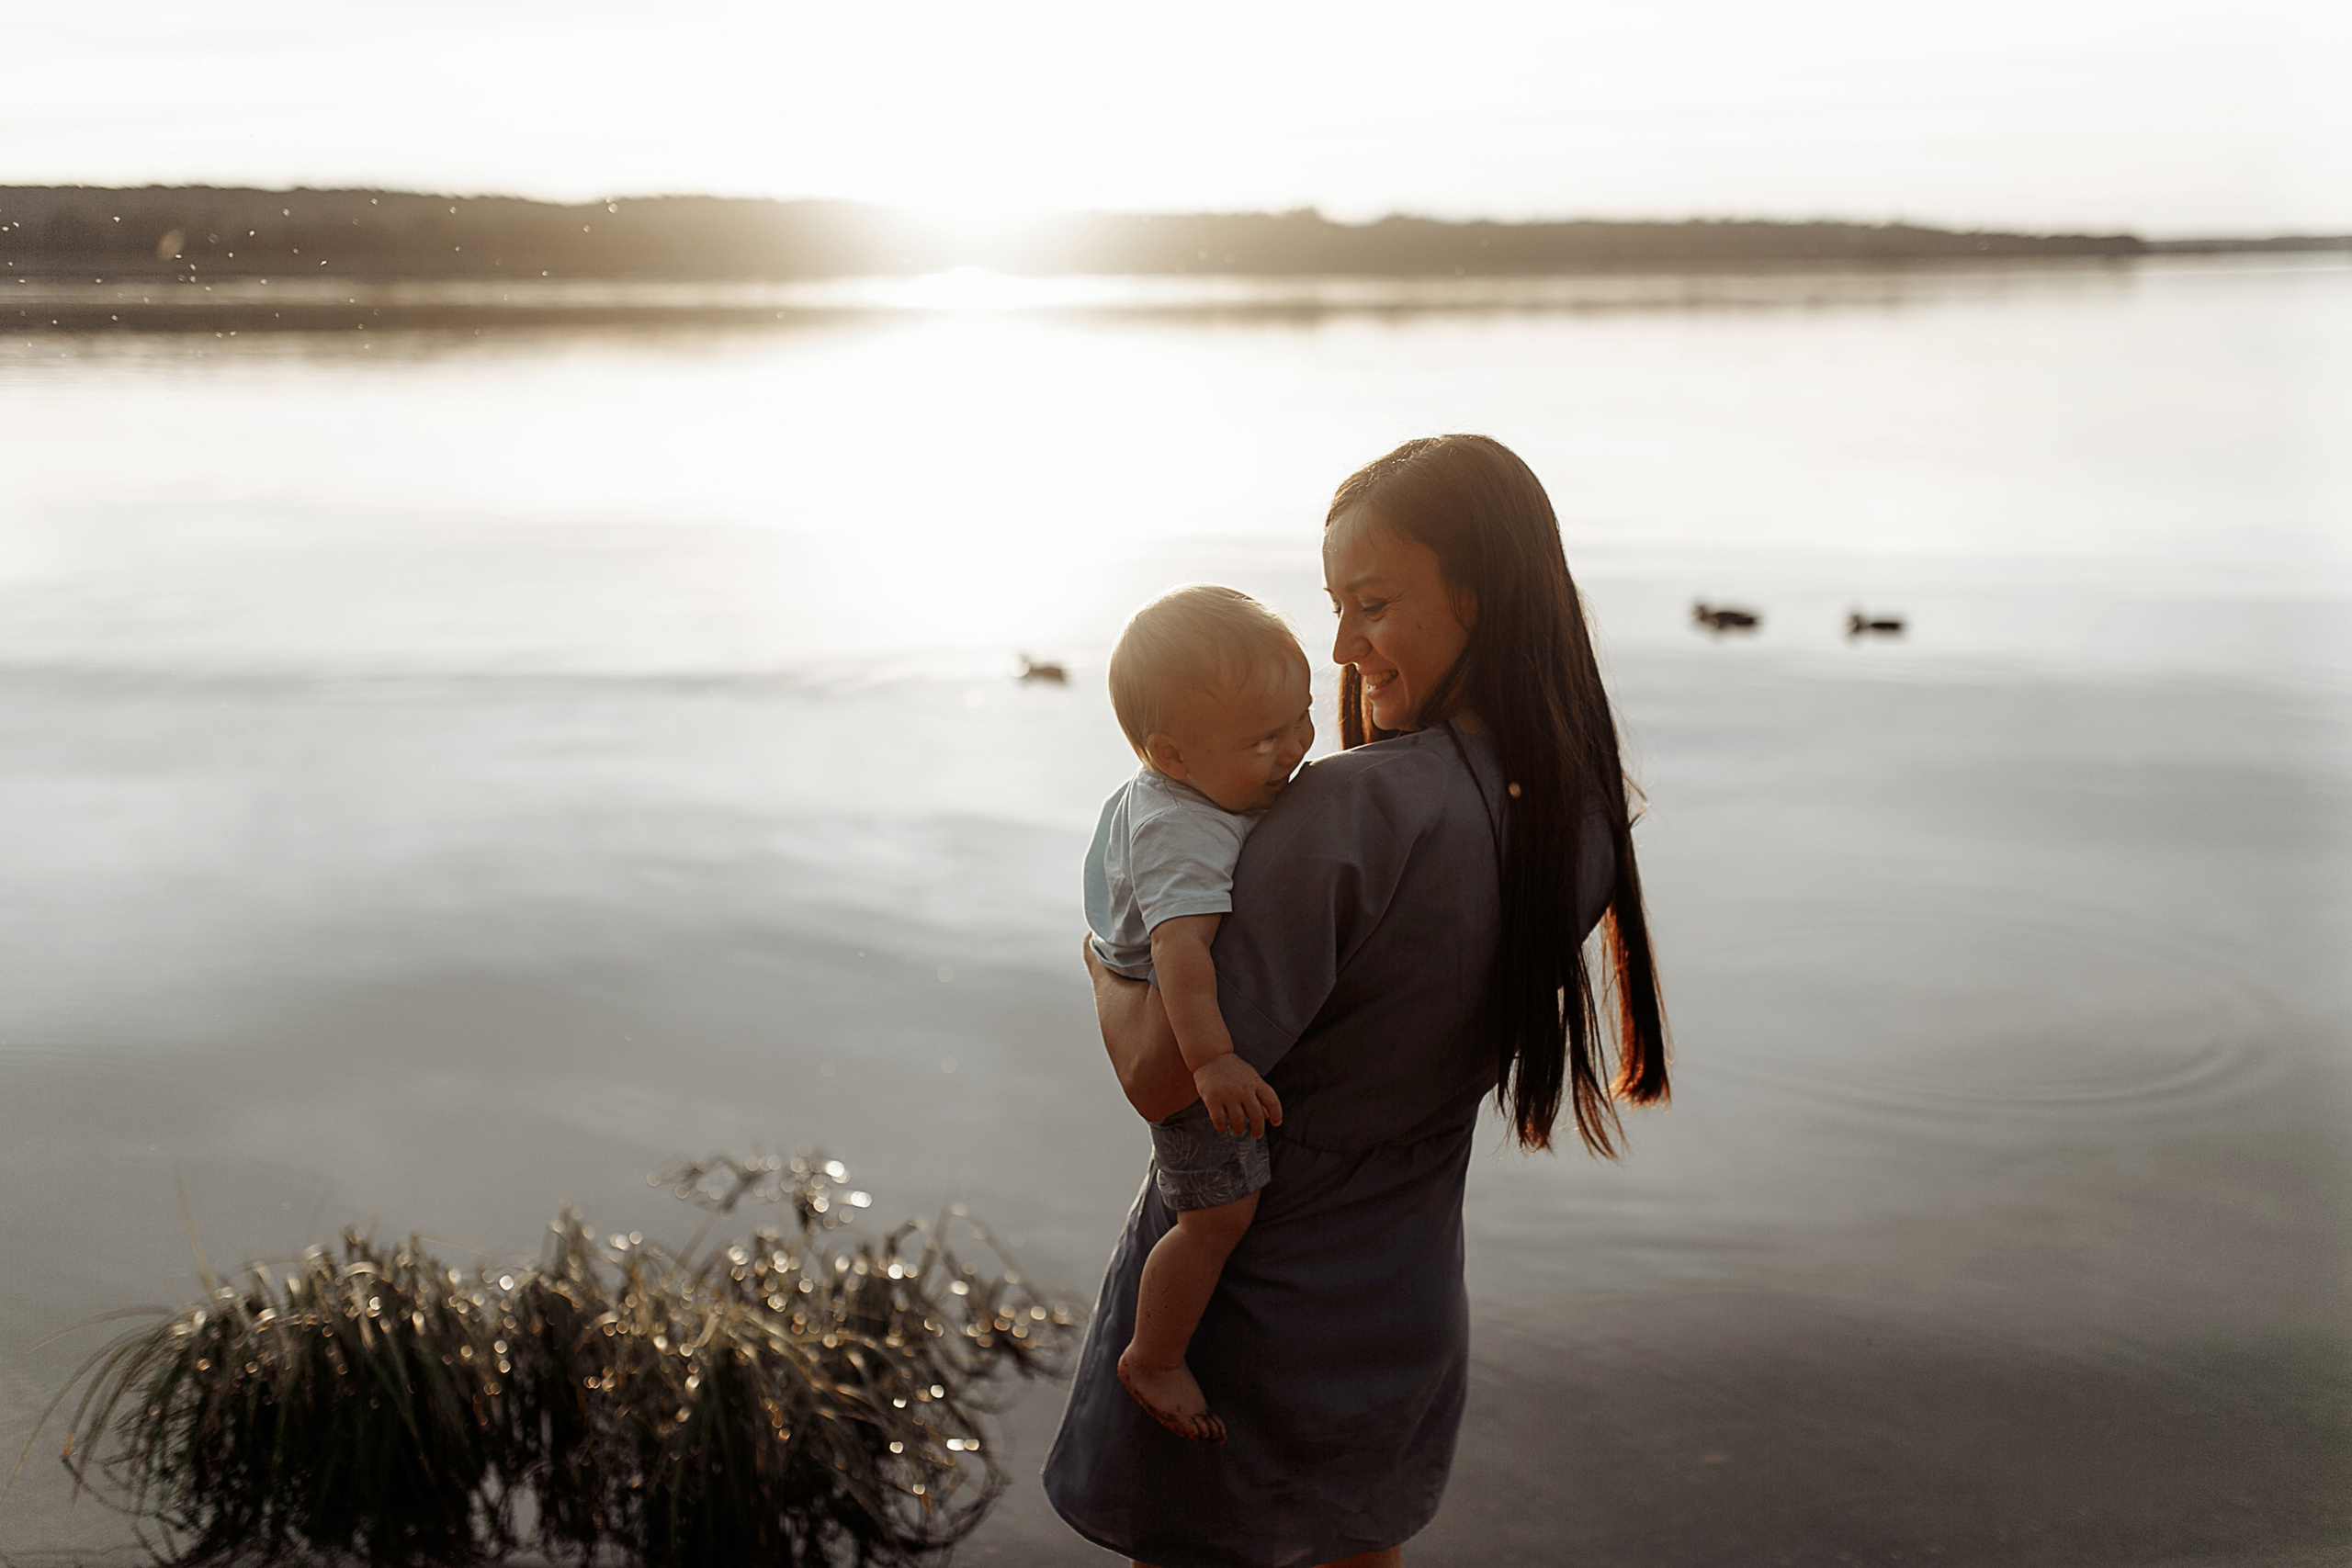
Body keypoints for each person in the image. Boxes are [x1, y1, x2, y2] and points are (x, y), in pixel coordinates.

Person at [1044, 434, 1670, 1568]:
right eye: (1335, 606)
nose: (1339, 645)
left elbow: (1157, 1075)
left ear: (1481, 594)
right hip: (1404, 1288)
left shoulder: (1345, 819)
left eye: (1372, 603)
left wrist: (1104, 952)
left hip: (1244, 1298)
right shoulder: (1579, 809)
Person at [1082, 585, 1315, 1444]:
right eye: (1265, 740)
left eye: (1303, 718)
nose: (1295, 747)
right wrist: (1212, 1063)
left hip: (1137, 964)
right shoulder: (1184, 835)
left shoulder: (1204, 784)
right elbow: (1183, 963)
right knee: (1216, 1216)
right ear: (1170, 755)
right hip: (1174, 1019)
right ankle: (1155, 1352)